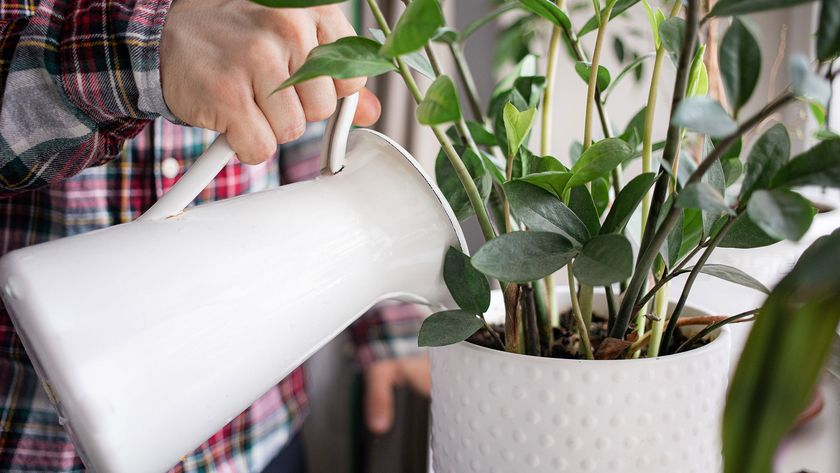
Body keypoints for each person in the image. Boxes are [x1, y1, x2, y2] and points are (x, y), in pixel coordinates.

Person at [0, 0, 431, 471]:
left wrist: (384, 320)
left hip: (253, 434)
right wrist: (148, 54)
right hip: (36, 425)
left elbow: (304, 122)